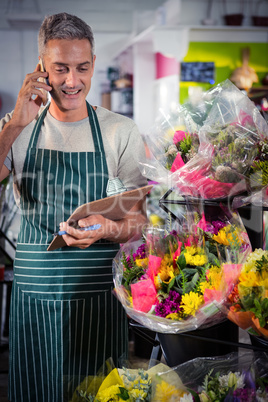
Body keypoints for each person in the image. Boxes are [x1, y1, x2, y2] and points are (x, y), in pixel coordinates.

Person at [0, 12, 148, 401]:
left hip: (100, 298)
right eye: (60, 69)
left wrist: (109, 228)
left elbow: (140, 219)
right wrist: (16, 123)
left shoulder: (121, 131)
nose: (72, 81)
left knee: (102, 393)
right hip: (35, 300)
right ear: (40, 69)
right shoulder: (16, 129)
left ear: (94, 64)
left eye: (82, 68)